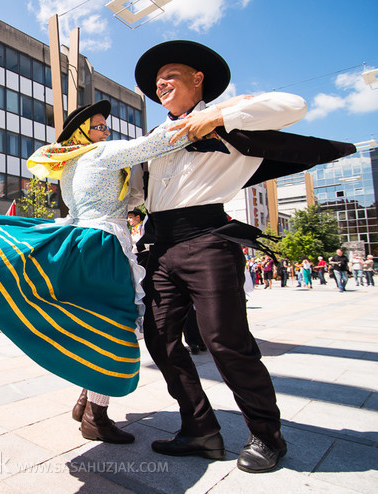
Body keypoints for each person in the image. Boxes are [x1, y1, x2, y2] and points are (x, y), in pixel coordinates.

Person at [0, 99, 230, 443]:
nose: (106, 131)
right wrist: (209, 118)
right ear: (83, 132)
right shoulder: (100, 153)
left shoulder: (70, 165)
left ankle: (86, 401)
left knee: (96, 322)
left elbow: (116, 200)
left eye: (104, 127)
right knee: (114, 329)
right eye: (99, 126)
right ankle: (95, 417)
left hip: (84, 242)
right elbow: (155, 144)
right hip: (104, 247)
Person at [133, 40, 355, 473]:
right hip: (159, 247)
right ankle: (199, 429)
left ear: (198, 79)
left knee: (226, 343)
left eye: (171, 76)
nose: (161, 84)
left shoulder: (230, 119)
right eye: (157, 81)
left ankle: (267, 436)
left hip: (209, 242)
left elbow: (294, 103)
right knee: (159, 340)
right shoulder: (154, 137)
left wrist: (218, 116)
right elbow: (140, 193)